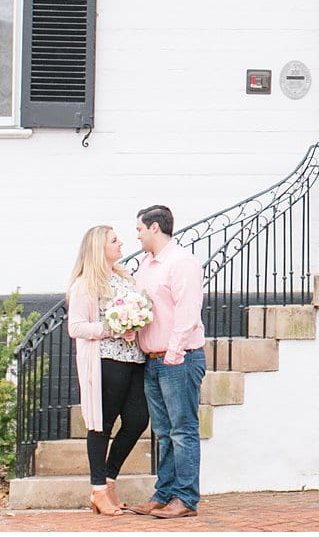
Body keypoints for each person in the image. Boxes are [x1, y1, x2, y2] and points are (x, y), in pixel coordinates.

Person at [127, 204, 207, 519]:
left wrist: (173, 353)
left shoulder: (181, 263)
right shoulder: (145, 266)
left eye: (139, 229)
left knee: (183, 430)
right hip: (152, 360)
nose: (137, 235)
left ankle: (185, 499)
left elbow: (188, 311)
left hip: (179, 359)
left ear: (155, 228)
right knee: (163, 431)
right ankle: (164, 493)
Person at [66, 225, 152, 516]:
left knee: (138, 420)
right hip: (106, 361)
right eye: (115, 240)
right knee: (101, 425)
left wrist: (136, 322)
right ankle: (98, 490)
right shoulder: (85, 284)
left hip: (134, 359)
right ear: (98, 247)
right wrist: (111, 328)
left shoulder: (124, 276)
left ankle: (110, 479)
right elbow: (75, 327)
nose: (121, 243)